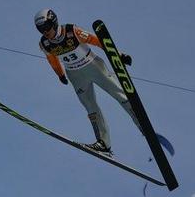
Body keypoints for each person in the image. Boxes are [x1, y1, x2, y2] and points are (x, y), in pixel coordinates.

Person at [34, 9, 143, 156]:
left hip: (93, 66)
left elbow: (96, 40)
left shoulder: (71, 30)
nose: (45, 31)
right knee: (90, 107)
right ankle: (103, 143)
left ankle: (143, 127)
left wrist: (118, 54)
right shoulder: (44, 43)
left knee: (120, 95)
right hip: (75, 75)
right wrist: (60, 74)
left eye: (47, 27)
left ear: (54, 22)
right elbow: (52, 59)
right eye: (40, 29)